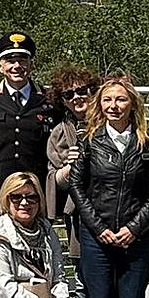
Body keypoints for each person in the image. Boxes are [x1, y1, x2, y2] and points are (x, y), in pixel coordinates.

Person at [66, 77, 149, 298]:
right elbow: (77, 187)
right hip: (96, 238)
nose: (114, 106)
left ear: (132, 104)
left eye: (121, 99)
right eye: (107, 100)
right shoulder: (89, 142)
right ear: (100, 105)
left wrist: (134, 228)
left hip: (136, 238)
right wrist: (98, 228)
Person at [0, 32, 60, 224]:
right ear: (0, 66)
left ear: (31, 64)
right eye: (10, 61)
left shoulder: (48, 99)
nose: (17, 66)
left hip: (36, 189)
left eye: (22, 60)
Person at [42, 64, 98, 249]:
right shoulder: (59, 133)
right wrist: (70, 168)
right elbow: (55, 180)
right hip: (81, 213)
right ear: (62, 101)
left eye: (81, 91)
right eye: (68, 95)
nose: (76, 97)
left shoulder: (113, 123)